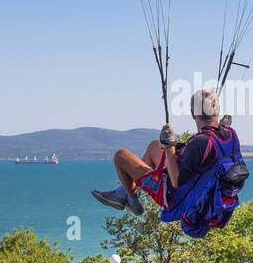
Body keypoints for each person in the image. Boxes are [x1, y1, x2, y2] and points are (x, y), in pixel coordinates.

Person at [92, 89, 242, 225]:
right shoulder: (230, 134)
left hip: (173, 194)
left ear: (192, 113)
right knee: (154, 146)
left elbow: (176, 181)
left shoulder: (201, 142)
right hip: (204, 187)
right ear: (218, 111)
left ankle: (129, 197)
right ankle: (124, 192)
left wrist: (169, 145)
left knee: (121, 156)